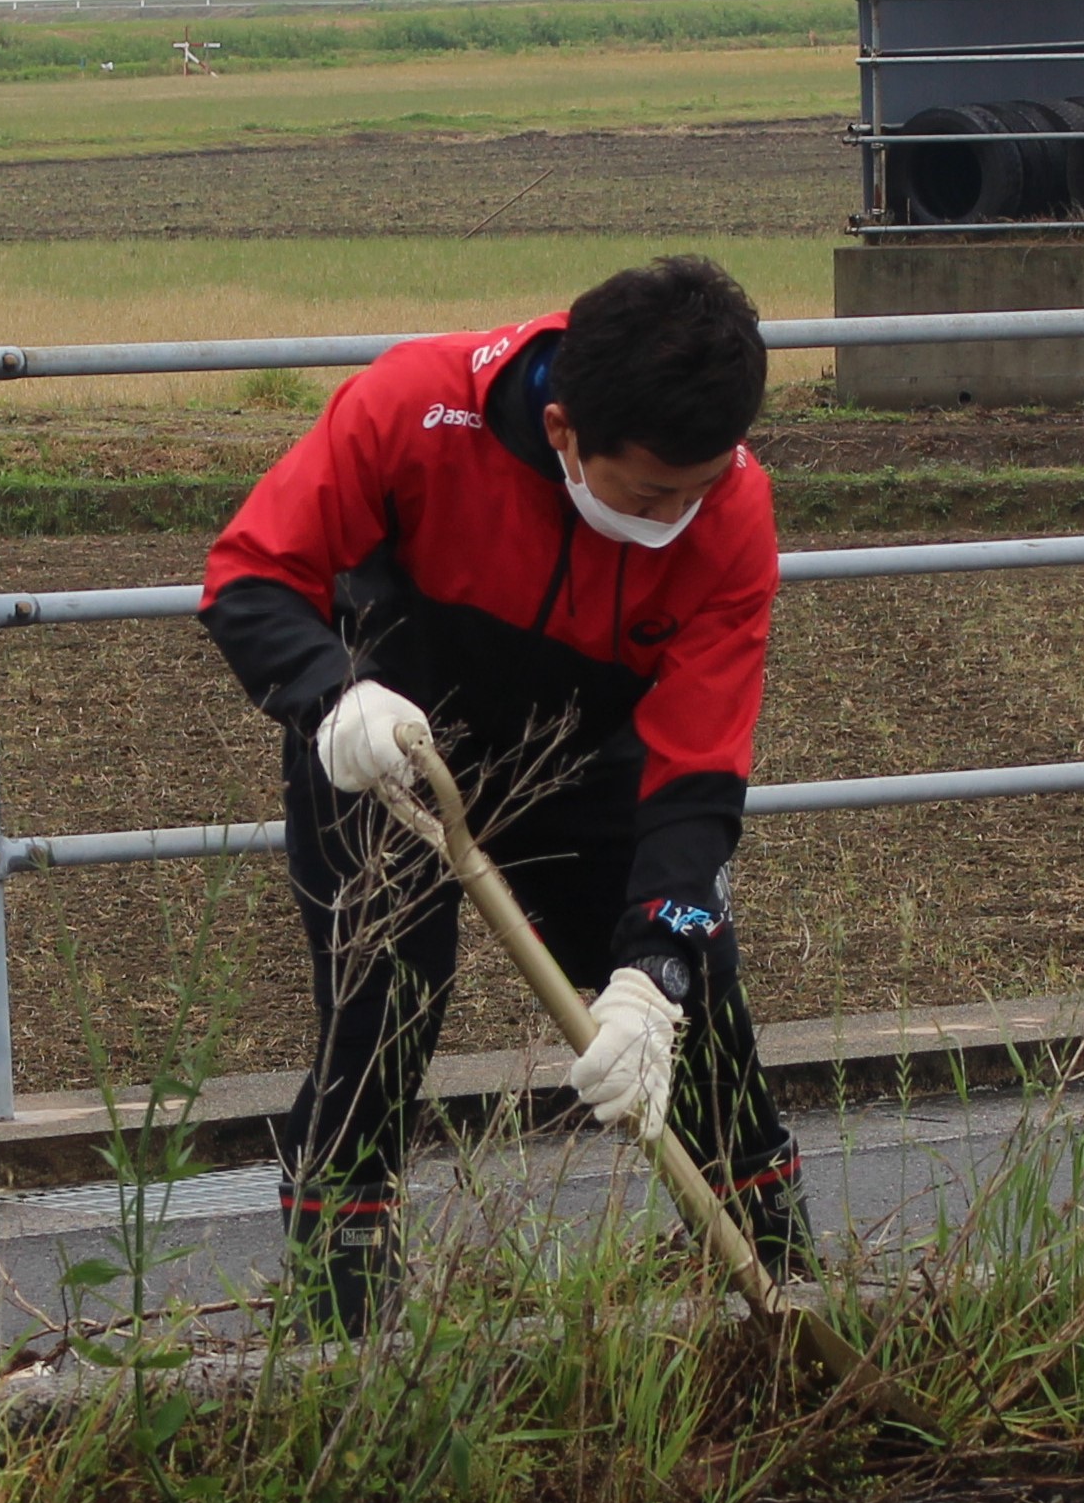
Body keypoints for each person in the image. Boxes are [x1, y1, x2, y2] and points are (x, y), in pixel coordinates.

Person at [201, 253, 804, 1328]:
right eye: (656, 492)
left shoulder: (732, 510)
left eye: (705, 483)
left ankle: (777, 1272)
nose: (685, 513)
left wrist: (657, 961)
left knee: (694, 997)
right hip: (389, 743)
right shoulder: (411, 405)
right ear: (567, 429)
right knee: (385, 997)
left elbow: (700, 769)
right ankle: (341, 1305)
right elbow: (249, 573)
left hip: (585, 749)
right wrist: (332, 695)